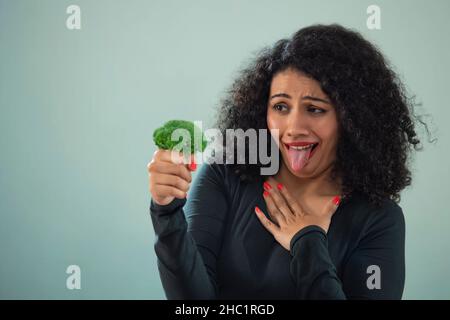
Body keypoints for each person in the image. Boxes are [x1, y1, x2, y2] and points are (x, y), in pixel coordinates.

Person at [147, 24, 424, 299]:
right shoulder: (226, 173)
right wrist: (167, 211)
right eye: (280, 107)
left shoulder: (378, 220)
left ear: (352, 120)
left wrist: (307, 241)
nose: (293, 128)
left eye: (315, 109)